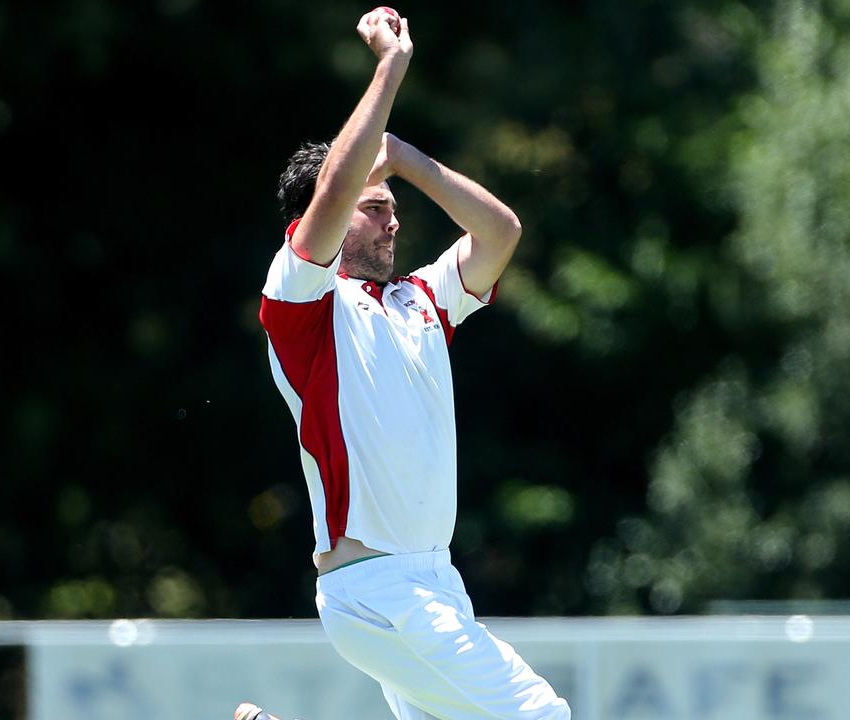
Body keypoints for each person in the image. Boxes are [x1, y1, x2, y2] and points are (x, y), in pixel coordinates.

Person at [236, 7, 571, 720]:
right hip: (377, 586)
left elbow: (501, 231)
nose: (394, 219)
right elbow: (333, 193)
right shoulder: (303, 303)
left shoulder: (419, 298)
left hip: (433, 581)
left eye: (393, 206)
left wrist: (404, 158)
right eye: (375, 206)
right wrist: (391, 67)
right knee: (541, 717)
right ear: (317, 220)